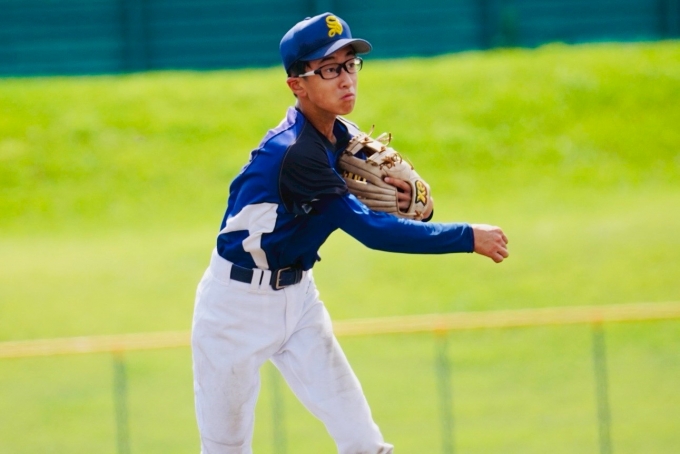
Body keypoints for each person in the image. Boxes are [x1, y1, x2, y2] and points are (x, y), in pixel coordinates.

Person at [191, 12, 509, 454]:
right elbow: (370, 230)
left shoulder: (342, 135)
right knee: (225, 448)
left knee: (363, 441)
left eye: (349, 64)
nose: (346, 79)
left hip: (299, 299)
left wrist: (413, 204)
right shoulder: (295, 152)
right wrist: (467, 236)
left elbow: (392, 206)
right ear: (297, 85)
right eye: (328, 69)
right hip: (235, 309)